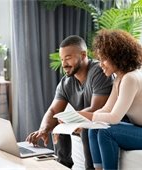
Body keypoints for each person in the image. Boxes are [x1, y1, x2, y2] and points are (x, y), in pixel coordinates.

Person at [26, 35, 114, 169]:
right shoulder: (66, 82)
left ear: (83, 55)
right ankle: (63, 166)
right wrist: (43, 130)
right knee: (59, 124)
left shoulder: (98, 71)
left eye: (68, 58)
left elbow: (97, 108)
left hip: (105, 122)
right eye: (62, 59)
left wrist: (70, 119)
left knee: (84, 127)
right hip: (84, 121)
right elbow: (53, 111)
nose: (64, 64)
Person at [78, 29, 142, 170]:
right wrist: (85, 120)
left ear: (117, 56)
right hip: (141, 128)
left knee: (106, 132)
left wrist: (83, 116)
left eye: (103, 59)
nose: (100, 64)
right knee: (94, 128)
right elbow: (107, 109)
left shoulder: (131, 78)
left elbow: (114, 117)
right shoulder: (119, 78)